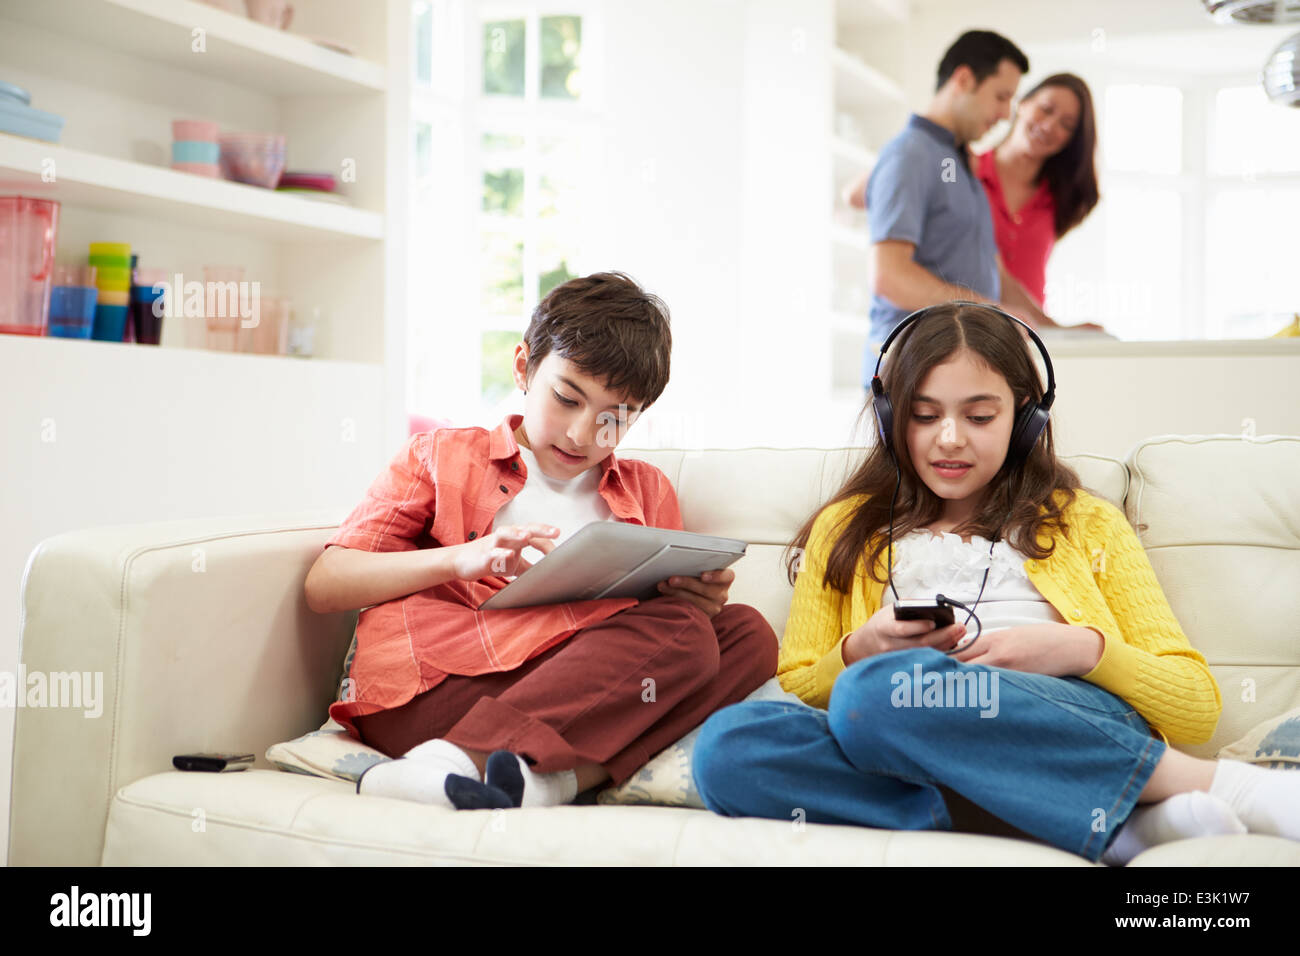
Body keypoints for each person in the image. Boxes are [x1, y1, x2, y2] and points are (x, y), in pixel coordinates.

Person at [691, 301, 1300, 865]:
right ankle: (1116, 828)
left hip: (1058, 713)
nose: (949, 438)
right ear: (889, 415)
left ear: (1026, 418)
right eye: (924, 416)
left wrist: (1080, 650)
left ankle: (1232, 788)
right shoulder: (845, 529)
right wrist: (857, 652)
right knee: (728, 748)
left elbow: (1195, 705)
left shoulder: (1084, 523)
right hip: (901, 724)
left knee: (875, 694)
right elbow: (797, 687)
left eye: (979, 416)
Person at [305, 271, 778, 810]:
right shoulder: (440, 456)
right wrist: (461, 559)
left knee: (747, 636)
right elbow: (326, 584)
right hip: (432, 692)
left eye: (614, 418)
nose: (581, 434)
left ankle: (542, 781)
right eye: (567, 398)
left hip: (564, 694)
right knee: (688, 638)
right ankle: (454, 759)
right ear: (523, 367)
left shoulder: (646, 491)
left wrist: (695, 599)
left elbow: (659, 647)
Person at [859, 31, 1101, 392]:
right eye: (1001, 97)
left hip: (954, 372)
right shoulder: (911, 153)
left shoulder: (955, 163)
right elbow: (890, 276)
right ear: (963, 79)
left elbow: (995, 270)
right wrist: (992, 312)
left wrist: (1052, 329)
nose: (1006, 113)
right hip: (909, 376)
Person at [846, 72, 1102, 313]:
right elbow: (857, 194)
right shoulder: (961, 169)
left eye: (1067, 125)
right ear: (1022, 103)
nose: (1050, 125)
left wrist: (1054, 329)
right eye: (1045, 109)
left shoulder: (1058, 197)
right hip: (959, 323)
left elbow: (1004, 278)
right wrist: (926, 146)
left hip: (1020, 330)